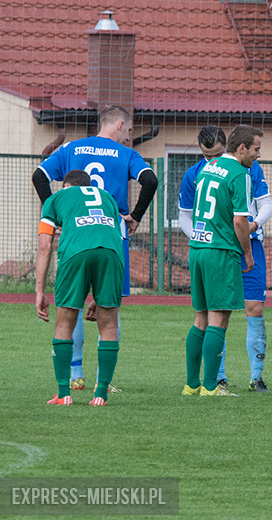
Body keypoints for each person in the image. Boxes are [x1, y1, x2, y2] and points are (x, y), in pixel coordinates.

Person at [32, 105, 158, 394]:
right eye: (129, 130)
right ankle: (105, 380)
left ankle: (75, 374)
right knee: (109, 310)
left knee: (70, 305)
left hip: (76, 232)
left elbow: (39, 175)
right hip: (112, 233)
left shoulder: (71, 147)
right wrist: (136, 216)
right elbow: (150, 180)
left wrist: (55, 212)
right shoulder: (127, 154)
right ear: (121, 124)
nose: (130, 135)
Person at [179, 126, 272, 393]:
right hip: (221, 251)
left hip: (198, 249)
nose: (258, 155)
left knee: (201, 319)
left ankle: (192, 384)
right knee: (218, 319)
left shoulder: (206, 169)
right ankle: (212, 386)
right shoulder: (239, 173)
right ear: (241, 148)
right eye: (256, 149)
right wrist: (247, 252)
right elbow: (240, 220)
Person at [35, 169, 124, 407]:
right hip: (112, 255)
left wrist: (40, 291)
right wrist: (103, 293)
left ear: (67, 186)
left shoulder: (56, 199)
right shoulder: (108, 198)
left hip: (75, 253)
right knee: (109, 324)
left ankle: (64, 393)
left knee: (65, 321)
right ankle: (101, 394)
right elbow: (117, 237)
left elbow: (45, 246)